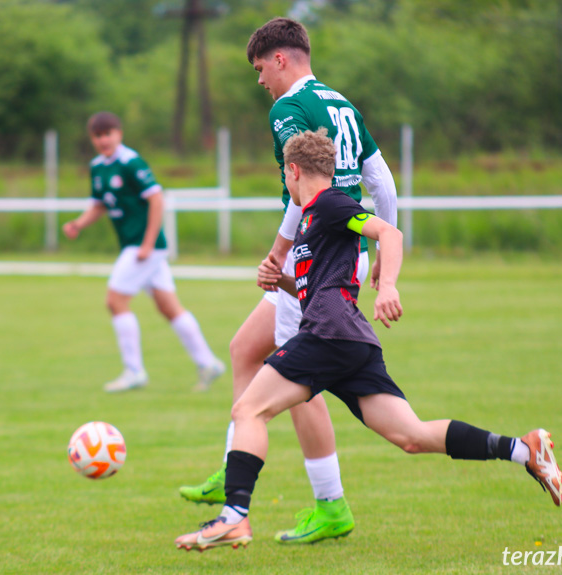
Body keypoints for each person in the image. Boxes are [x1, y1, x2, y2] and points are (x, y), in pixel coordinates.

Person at [175, 129, 562, 552]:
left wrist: (390, 286)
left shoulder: (330, 203)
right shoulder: (311, 218)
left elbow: (389, 234)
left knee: (248, 409)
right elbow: (321, 286)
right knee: (411, 436)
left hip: (329, 335)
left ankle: (234, 517)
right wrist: (282, 281)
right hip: (349, 340)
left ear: (293, 170)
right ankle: (523, 451)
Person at [179, 17, 398, 544]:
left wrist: (279, 253)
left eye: (260, 69)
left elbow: (298, 192)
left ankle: (328, 503)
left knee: (300, 378)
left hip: (316, 255)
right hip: (344, 248)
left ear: (281, 59)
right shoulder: (343, 103)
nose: (260, 82)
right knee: (243, 349)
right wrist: (377, 254)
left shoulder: (288, 108)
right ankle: (236, 453)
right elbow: (381, 181)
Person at [64, 111, 225, 393]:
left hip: (143, 248)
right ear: (92, 139)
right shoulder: (97, 167)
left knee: (115, 301)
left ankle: (134, 371)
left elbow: (156, 198)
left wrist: (148, 243)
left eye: (108, 134)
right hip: (136, 247)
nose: (103, 140)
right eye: (97, 136)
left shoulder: (131, 162)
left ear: (119, 133)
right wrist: (78, 223)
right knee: (169, 307)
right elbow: (100, 204)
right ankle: (209, 363)